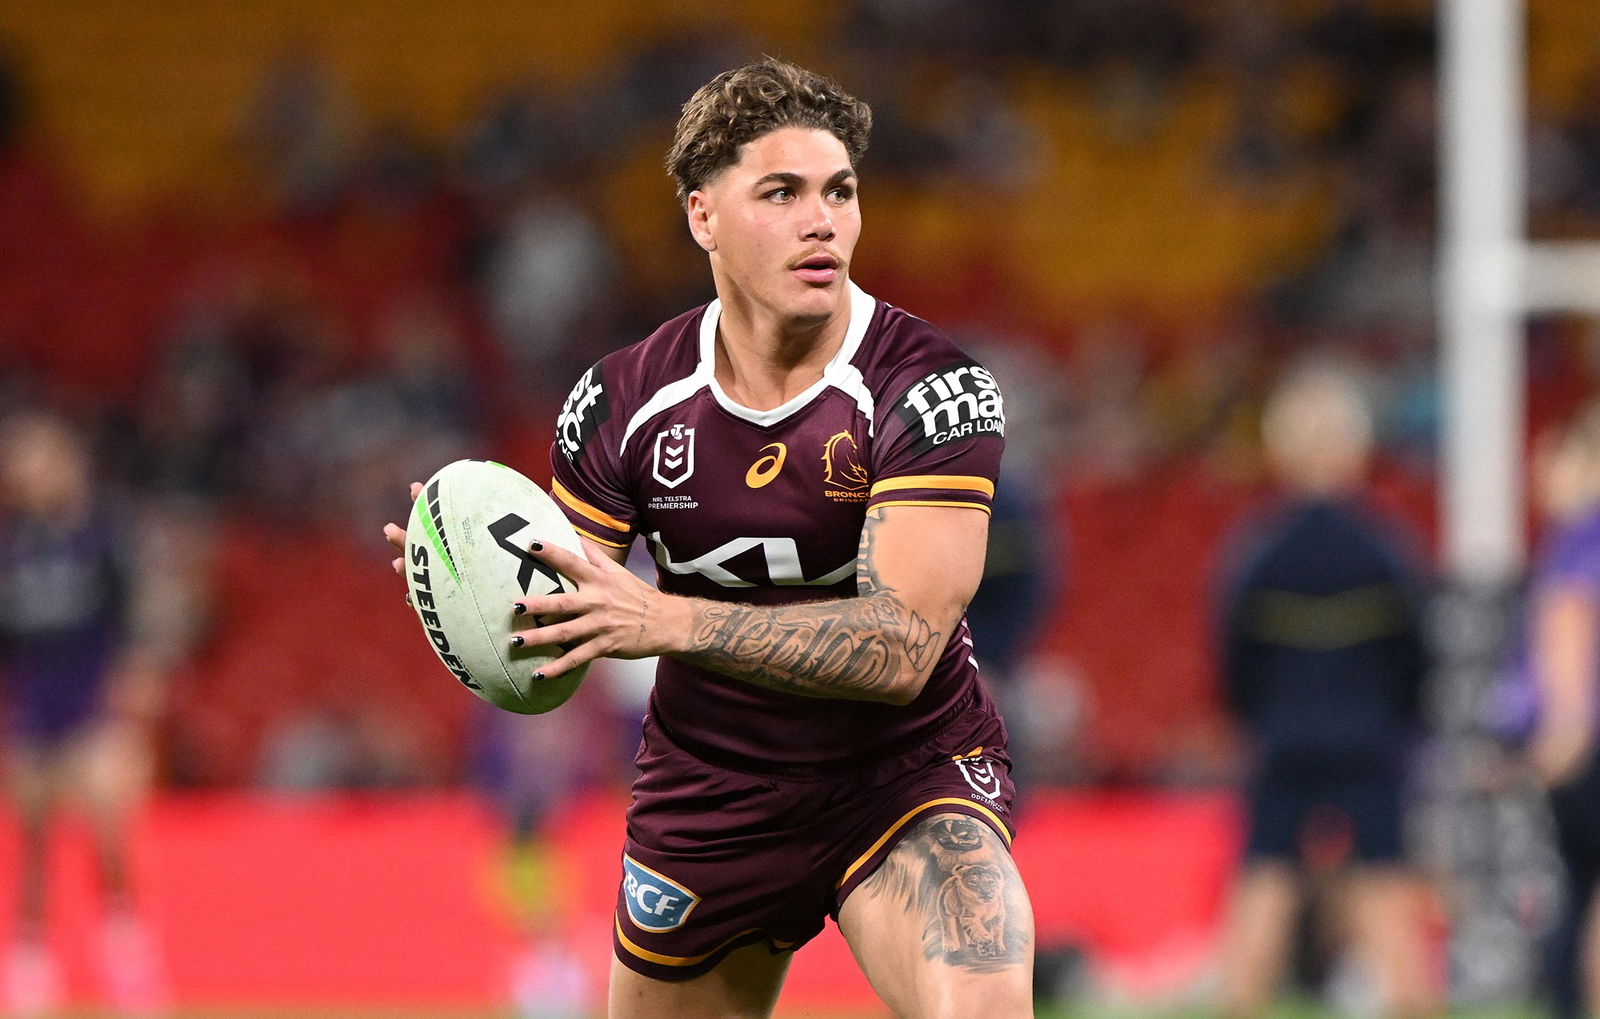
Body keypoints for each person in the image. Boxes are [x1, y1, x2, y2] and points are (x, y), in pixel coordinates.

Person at [386, 58, 1035, 1018]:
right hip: (710, 795)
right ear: (703, 218)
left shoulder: (929, 389)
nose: (823, 221)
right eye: (782, 192)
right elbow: (565, 623)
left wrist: (670, 620)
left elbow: (901, 649)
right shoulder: (619, 403)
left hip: (902, 774)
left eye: (840, 192)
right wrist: (474, 584)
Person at [1212, 363, 1436, 1017]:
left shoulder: (1256, 552)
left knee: (1265, 883)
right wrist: (1395, 721)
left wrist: (1261, 719)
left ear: (1279, 451)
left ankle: (1241, 1001)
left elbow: (1233, 660)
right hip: (1370, 739)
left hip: (1283, 739)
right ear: (1356, 450)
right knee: (1386, 886)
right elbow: (1417, 656)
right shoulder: (1387, 548)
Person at [0, 409, 168, 1015]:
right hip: (34, 712)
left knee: (107, 830)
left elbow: (138, 617)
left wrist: (137, 679)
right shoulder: (13, 548)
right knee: (33, 837)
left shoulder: (101, 537)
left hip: (93, 707)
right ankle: (27, 957)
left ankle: (127, 948)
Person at [1506, 400, 1600, 1018]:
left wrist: (1565, 727)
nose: (1542, 472)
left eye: (1555, 458)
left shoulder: (1581, 539)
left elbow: (1568, 624)